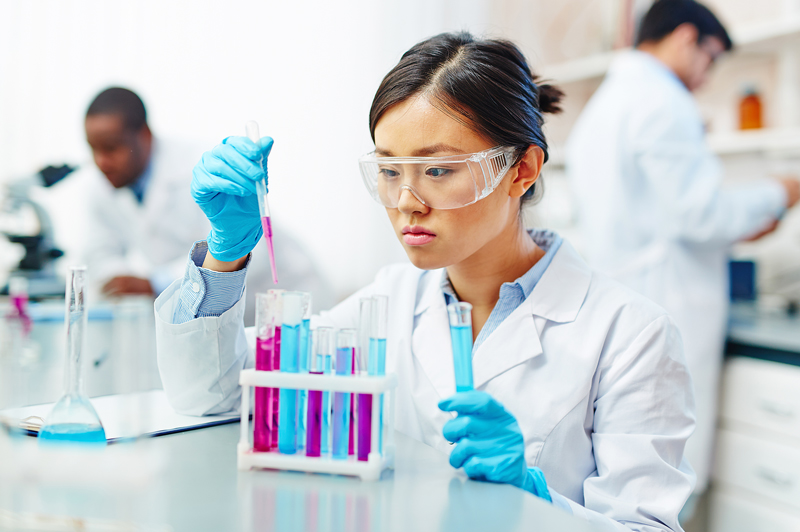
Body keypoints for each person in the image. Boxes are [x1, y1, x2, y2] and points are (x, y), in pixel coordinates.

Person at [156, 33, 695, 531]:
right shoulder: (389, 301)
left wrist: (533, 498)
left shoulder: (631, 335)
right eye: (390, 172)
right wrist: (226, 255)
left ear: (522, 170)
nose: (407, 202)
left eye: (437, 171)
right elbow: (216, 396)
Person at [565, 0, 800, 503]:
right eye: (711, 58)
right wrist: (779, 191)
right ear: (686, 37)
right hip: (665, 308)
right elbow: (702, 214)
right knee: (660, 472)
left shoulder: (608, 103)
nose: (708, 76)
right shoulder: (662, 99)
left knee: (621, 466)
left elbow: (664, 214)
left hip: (621, 305)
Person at [52, 87, 331, 322]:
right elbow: (99, 255)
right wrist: (118, 280)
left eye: (112, 148)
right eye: (94, 149)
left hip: (286, 299)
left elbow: (244, 246)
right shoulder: (101, 185)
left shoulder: (200, 168)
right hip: (211, 314)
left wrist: (155, 283)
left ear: (144, 135)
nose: (102, 161)